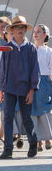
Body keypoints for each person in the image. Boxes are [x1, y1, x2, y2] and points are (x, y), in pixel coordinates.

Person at [0, 15, 39, 159]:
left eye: (22, 27)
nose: (20, 30)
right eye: (16, 27)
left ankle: (33, 142)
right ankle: (8, 149)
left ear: (25, 30)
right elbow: (2, 69)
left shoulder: (31, 48)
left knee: (26, 118)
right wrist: (0, 88)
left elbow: (35, 69)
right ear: (12, 31)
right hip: (9, 88)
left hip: (25, 88)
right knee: (7, 117)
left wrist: (32, 90)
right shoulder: (7, 48)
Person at [31, 24, 52, 152]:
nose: (35, 34)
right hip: (32, 82)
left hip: (44, 82)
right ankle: (38, 140)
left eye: (38, 32)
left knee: (45, 111)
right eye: (34, 31)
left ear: (45, 35)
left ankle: (48, 138)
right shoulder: (30, 49)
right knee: (33, 112)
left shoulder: (49, 51)